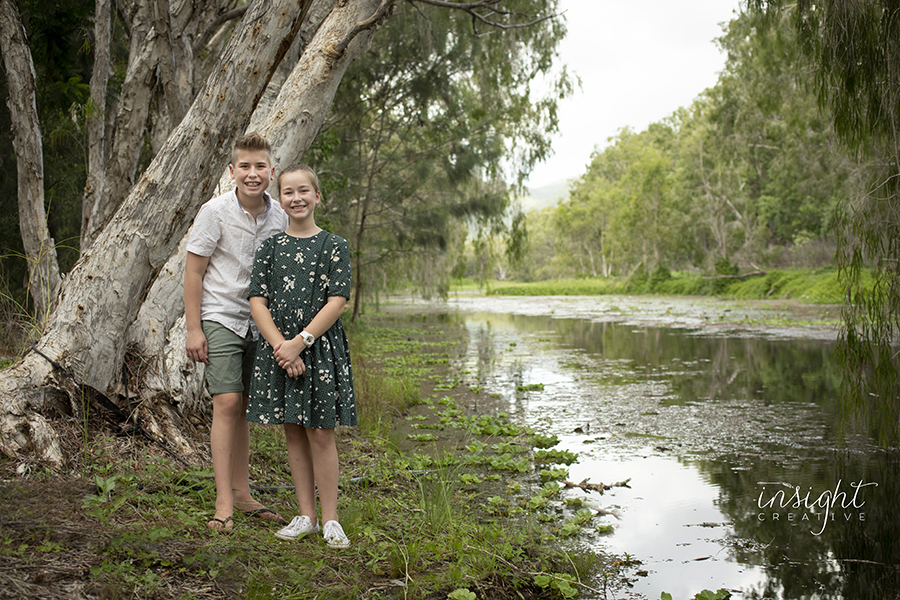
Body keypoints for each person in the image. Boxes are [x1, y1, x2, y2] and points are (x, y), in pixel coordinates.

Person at [246, 163, 357, 548]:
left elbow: (337, 301)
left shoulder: (334, 246)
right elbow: (257, 301)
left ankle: (330, 519)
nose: (296, 198)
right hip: (279, 351)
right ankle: (305, 515)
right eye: (288, 192)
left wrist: (301, 342)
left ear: (317, 196)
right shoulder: (270, 248)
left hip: (318, 349)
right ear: (280, 199)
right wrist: (282, 346)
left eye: (303, 191)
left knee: (321, 433)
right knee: (293, 430)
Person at [184, 132, 289, 532]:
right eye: (244, 166)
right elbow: (194, 270)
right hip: (221, 316)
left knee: (244, 406)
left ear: (271, 170)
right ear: (232, 171)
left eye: (260, 166)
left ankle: (243, 494)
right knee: (226, 402)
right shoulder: (214, 212)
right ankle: (223, 501)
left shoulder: (279, 216)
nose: (252, 173)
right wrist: (194, 329)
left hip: (261, 324)